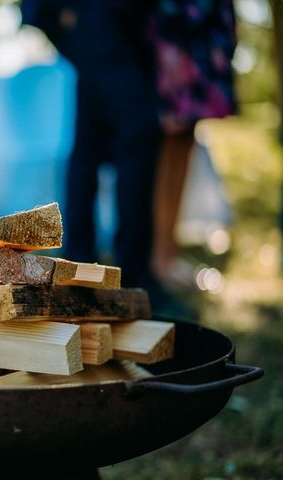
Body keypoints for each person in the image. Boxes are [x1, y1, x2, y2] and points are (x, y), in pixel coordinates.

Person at [22, 1, 161, 291]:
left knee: (90, 150)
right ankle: (129, 276)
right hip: (106, 27)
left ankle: (83, 265)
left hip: (113, 31)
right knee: (134, 144)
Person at [151, 0, 237, 288]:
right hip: (178, 34)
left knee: (185, 140)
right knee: (171, 142)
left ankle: (168, 256)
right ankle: (161, 257)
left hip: (200, 30)